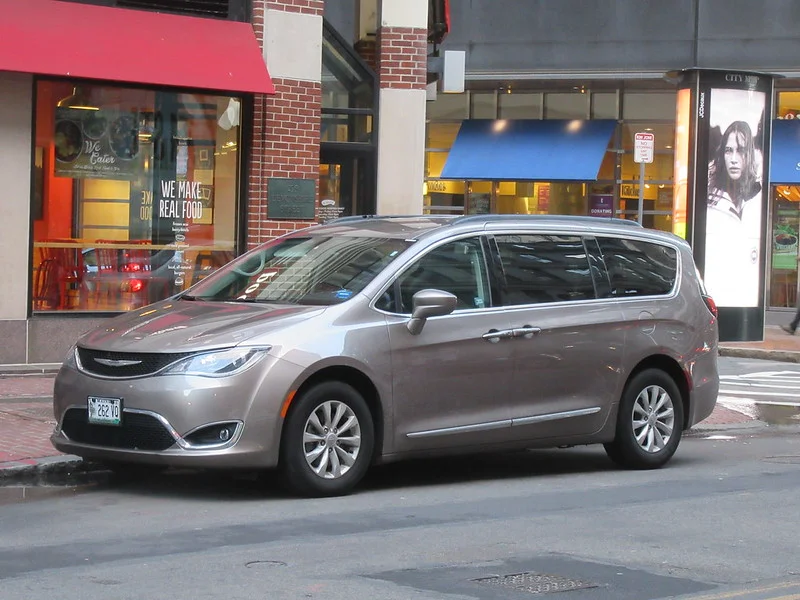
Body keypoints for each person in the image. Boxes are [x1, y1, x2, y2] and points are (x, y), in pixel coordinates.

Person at [703, 120, 763, 308]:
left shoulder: (757, 197)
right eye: (729, 150)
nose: (734, 159)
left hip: (744, 297)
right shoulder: (709, 201)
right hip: (715, 297)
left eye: (741, 150)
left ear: (750, 155)